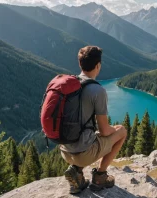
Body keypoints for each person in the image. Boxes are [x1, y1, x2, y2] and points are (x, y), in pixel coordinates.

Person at [60, 46, 127, 194]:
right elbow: (104, 131)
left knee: (93, 133)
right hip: (83, 154)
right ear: (98, 66)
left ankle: (76, 172)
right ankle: (100, 177)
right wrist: (114, 129)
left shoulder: (70, 85)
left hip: (64, 151)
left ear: (80, 64)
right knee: (121, 131)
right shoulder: (97, 91)